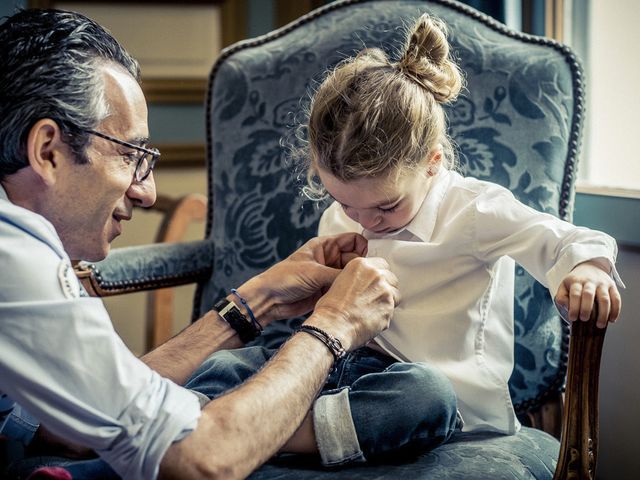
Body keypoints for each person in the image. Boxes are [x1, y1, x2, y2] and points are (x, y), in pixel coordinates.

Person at [183, 13, 624, 467]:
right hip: (340, 377)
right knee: (232, 365)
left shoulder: (474, 210)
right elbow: (333, 325)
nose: (364, 221)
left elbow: (564, 238)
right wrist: (329, 280)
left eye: (386, 207)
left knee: (423, 395)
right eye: (346, 203)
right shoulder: (342, 218)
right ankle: (253, 422)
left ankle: (263, 431)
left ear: (433, 163)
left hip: (432, 399)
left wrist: (587, 268)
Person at [0, 8, 401, 480]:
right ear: (48, 150)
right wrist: (335, 324)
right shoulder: (14, 258)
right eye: (131, 155)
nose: (147, 192)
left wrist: (260, 299)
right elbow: (201, 462)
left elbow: (70, 423)